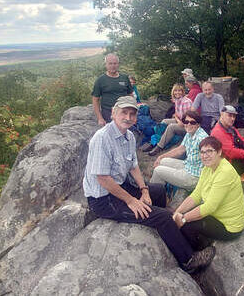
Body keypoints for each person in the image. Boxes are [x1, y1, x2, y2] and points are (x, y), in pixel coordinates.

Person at [82, 96, 215, 273]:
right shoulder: (102, 138)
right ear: (114, 113)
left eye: (132, 114)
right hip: (103, 199)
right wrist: (131, 201)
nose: (128, 117)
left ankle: (164, 231)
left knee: (158, 191)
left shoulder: (128, 136)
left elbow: (134, 166)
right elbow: (103, 179)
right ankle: (188, 260)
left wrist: (144, 190)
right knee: (163, 216)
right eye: (124, 112)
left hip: (120, 186)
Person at [172, 136, 244, 251]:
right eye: (202, 152)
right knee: (188, 214)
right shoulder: (208, 168)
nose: (205, 156)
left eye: (210, 151)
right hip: (217, 215)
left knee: (187, 226)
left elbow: (210, 207)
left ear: (219, 152)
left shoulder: (225, 172)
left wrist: (183, 219)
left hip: (228, 226)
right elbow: (196, 194)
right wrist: (177, 212)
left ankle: (197, 252)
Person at [150, 110, 209, 190]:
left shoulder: (202, 139)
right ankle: (162, 191)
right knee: (162, 161)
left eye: (192, 122)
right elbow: (180, 150)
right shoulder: (190, 133)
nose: (188, 124)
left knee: (158, 171)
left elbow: (210, 161)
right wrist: (161, 157)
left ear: (198, 124)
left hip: (193, 177)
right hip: (188, 166)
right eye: (186, 121)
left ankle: (153, 197)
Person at [143, 84, 193, 155]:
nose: (177, 92)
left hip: (188, 126)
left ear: (182, 92)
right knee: (164, 122)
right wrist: (176, 118)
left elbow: (185, 121)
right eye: (175, 91)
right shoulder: (177, 100)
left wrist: (177, 118)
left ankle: (159, 147)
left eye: (179, 91)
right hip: (180, 121)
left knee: (171, 127)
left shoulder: (186, 102)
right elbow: (176, 114)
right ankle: (154, 142)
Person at [91, 53, 133, 126]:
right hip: (108, 113)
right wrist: (100, 118)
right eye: (110, 64)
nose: (113, 66)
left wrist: (133, 111)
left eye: (115, 63)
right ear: (106, 65)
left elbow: (131, 95)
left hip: (125, 111)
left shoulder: (124, 77)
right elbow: (95, 100)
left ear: (118, 64)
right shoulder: (100, 80)